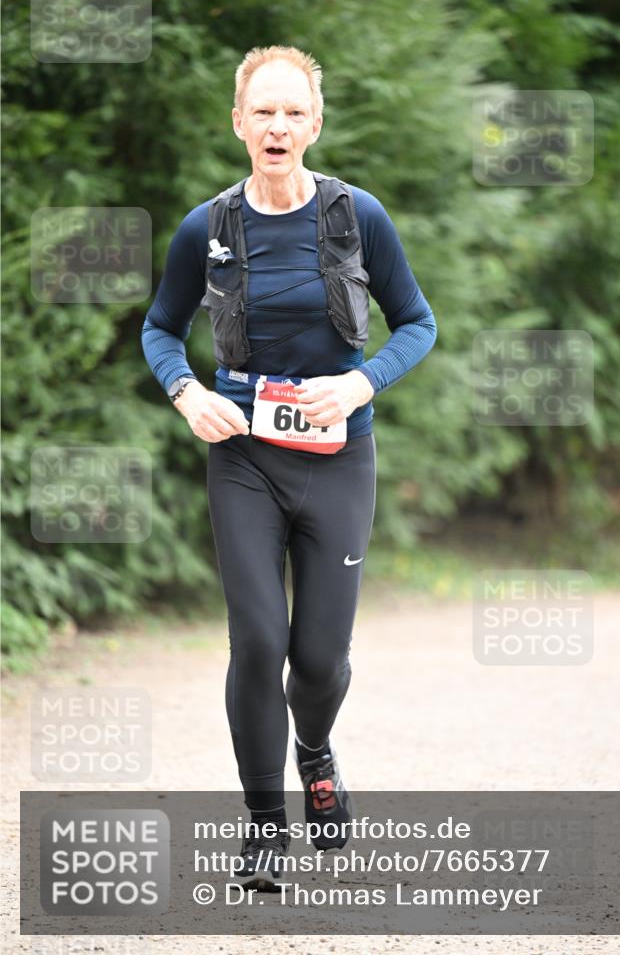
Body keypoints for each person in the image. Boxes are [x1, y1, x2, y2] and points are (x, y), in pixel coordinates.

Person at [141, 45, 437, 890]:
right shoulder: (206, 229)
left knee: (318, 660)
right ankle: (265, 826)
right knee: (259, 640)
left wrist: (360, 381)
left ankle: (315, 749)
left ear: (314, 124)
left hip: (338, 458)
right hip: (243, 459)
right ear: (238, 122)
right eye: (262, 112)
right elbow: (161, 328)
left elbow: (417, 323)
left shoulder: (356, 216)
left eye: (293, 112)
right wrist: (187, 393)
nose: (277, 126)